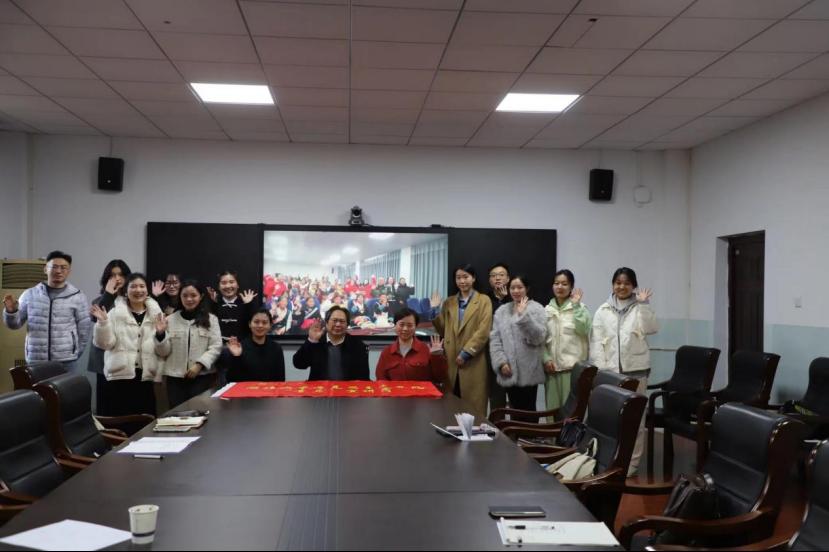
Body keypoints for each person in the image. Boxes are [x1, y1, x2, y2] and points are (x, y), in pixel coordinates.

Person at [590, 266, 658, 475]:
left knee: (636, 419)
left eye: (627, 283)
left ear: (633, 286)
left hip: (636, 371)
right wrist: (602, 371)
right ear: (613, 285)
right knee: (612, 420)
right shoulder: (603, 310)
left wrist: (644, 304)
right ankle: (611, 459)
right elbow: (596, 343)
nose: (622, 287)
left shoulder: (640, 307)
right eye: (618, 283)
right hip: (611, 374)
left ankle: (631, 464)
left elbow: (651, 328)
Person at [91, 273, 166, 417]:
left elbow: (164, 351)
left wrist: (161, 334)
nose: (138, 290)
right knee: (119, 422)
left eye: (142, 286)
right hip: (119, 378)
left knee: (144, 421)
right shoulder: (115, 313)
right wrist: (103, 323)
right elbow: (105, 344)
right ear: (126, 291)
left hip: (145, 378)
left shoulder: (156, 315)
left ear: (147, 291)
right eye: (133, 286)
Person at [3, 250, 91, 371]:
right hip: (36, 360)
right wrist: (11, 312)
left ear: (69, 271)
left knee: (66, 385)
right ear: (45, 269)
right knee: (36, 385)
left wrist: (73, 353)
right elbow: (15, 325)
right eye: (54, 267)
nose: (58, 271)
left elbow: (84, 330)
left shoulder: (78, 297)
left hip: (66, 361)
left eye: (63, 267)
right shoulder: (30, 294)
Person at [431, 264, 493, 420]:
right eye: (458, 277)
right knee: (450, 407)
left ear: (473, 278)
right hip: (451, 360)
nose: (462, 281)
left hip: (473, 360)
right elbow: (443, 330)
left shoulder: (483, 300)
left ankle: (474, 434)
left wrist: (466, 353)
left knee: (474, 409)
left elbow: (483, 331)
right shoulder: (449, 302)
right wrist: (434, 310)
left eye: (466, 277)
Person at [157, 280, 223, 407]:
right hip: (175, 378)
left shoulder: (211, 319)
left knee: (200, 411)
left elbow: (216, 346)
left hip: (202, 377)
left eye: (193, 295)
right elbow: (163, 352)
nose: (189, 299)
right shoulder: (170, 320)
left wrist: (200, 364)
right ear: (180, 297)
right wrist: (160, 334)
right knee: (176, 413)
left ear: (201, 296)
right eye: (185, 295)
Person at [489, 275, 547, 413]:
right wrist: (501, 362)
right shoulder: (502, 311)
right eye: (512, 288)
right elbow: (495, 339)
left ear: (527, 289)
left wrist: (523, 317)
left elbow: (538, 338)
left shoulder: (537, 309)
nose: (516, 291)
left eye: (520, 287)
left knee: (529, 412)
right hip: (508, 370)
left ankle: (529, 429)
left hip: (529, 371)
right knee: (513, 410)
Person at [543, 269, 591, 416]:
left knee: (571, 413)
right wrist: (546, 359)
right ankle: (553, 434)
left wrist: (576, 306)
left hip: (572, 371)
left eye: (564, 284)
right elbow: (540, 340)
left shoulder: (581, 308)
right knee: (552, 413)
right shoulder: (546, 310)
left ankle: (571, 433)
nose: (560, 287)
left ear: (571, 287)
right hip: (552, 370)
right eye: (556, 283)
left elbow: (584, 330)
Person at [87, 259, 131, 415]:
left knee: (127, 403)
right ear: (106, 279)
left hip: (126, 359)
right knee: (106, 403)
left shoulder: (132, 299)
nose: (117, 279)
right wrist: (109, 294)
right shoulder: (99, 300)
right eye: (113, 275)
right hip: (104, 359)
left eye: (120, 275)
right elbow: (96, 317)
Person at [292, 305, 369, 381]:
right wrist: (311, 341)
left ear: (347, 325)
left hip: (347, 388)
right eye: (334, 320)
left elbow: (364, 377)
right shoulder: (317, 341)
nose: (338, 324)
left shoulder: (357, 345)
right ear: (326, 322)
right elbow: (299, 364)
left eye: (342, 321)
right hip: (320, 388)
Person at [376, 308, 448, 385]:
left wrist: (436, 356)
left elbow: (440, 378)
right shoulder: (386, 352)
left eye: (410, 325)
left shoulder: (426, 349)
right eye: (401, 324)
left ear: (415, 327)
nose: (405, 329)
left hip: (421, 392)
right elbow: (381, 379)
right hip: (395, 393)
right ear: (395, 326)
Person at [226, 308, 285, 382]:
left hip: (269, 389)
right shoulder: (240, 347)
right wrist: (236, 357)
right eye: (256, 322)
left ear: (270, 325)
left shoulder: (276, 348)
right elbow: (231, 379)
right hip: (247, 389)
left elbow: (280, 379)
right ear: (249, 324)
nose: (260, 325)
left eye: (264, 322)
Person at [486, 262, 511, 412]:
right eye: (494, 275)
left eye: (501, 275)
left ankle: (517, 427)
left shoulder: (517, 296)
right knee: (496, 400)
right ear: (490, 280)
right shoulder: (484, 300)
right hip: (493, 356)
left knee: (518, 401)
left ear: (508, 278)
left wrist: (505, 300)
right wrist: (499, 301)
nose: (497, 278)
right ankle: (497, 426)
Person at [207, 270, 258, 341]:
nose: (228, 286)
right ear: (218, 287)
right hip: (218, 346)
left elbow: (255, 327)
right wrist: (214, 305)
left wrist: (248, 305)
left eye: (231, 282)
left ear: (237, 285)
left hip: (242, 345)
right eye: (223, 283)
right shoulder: (214, 305)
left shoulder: (246, 304)